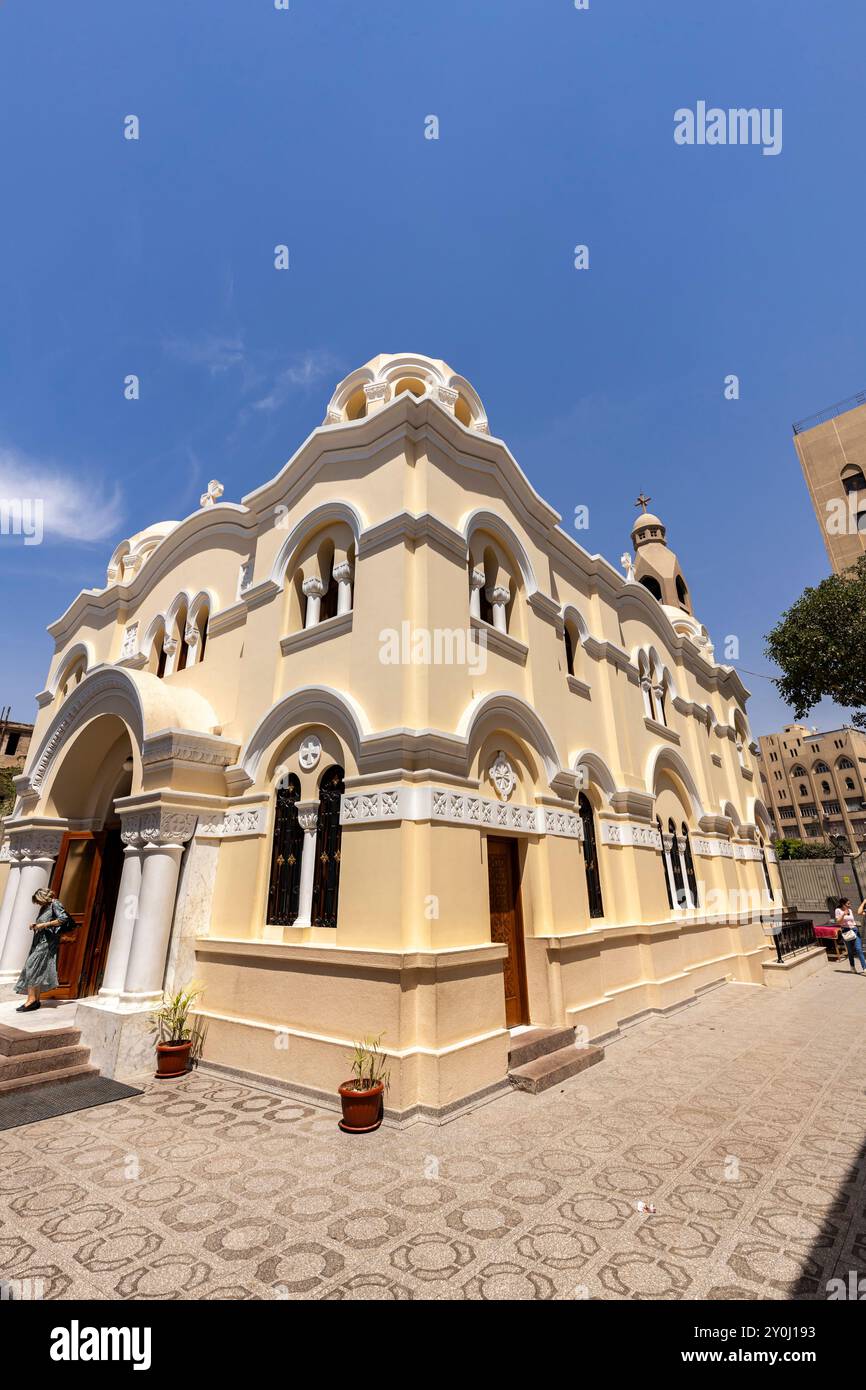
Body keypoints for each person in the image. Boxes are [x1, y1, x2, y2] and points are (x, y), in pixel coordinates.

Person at [14, 887, 73, 1012]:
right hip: (39, 941)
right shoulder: (44, 907)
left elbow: (63, 919)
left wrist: (44, 925)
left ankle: (30, 1001)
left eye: (38, 900)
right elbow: (44, 921)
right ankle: (35, 1000)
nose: (37, 903)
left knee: (31, 966)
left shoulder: (55, 904)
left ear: (43, 897)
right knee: (37, 969)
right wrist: (36, 925)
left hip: (47, 942)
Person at [834, 898, 866, 974]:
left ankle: (864, 968)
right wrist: (843, 914)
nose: (850, 905)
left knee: (859, 949)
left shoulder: (850, 910)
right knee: (850, 951)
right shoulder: (838, 910)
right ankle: (852, 967)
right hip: (846, 931)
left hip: (854, 930)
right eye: (848, 904)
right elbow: (838, 922)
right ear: (843, 904)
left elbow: (852, 919)